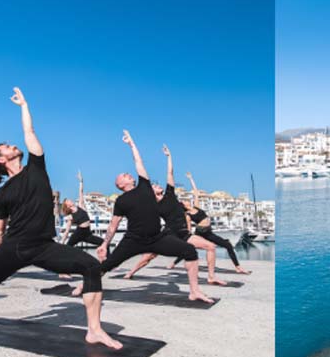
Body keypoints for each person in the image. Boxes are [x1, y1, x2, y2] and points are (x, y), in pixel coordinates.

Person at [0, 88, 121, 350]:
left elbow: (30, 134)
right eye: (7, 147)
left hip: (44, 245)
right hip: (14, 247)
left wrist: (24, 105)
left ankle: (94, 330)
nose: (14, 146)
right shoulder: (1, 193)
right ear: (2, 160)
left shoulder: (37, 168)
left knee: (91, 267)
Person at [72, 130, 213, 303]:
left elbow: (138, 161)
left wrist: (131, 144)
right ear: (120, 184)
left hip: (156, 238)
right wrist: (104, 243)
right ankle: (84, 285)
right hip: (133, 240)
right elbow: (113, 225)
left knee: (189, 251)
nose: (129, 174)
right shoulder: (121, 201)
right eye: (125, 175)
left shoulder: (145, 186)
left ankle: (194, 291)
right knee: (108, 265)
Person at [122, 145, 227, 286]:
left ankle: (211, 277)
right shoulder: (153, 205)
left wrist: (169, 157)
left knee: (211, 247)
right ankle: (130, 272)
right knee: (149, 256)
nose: (158, 186)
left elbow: (170, 174)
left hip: (184, 234)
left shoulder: (170, 195)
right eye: (154, 186)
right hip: (169, 235)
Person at [166, 171, 250, 274]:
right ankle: (174, 263)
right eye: (184, 201)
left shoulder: (196, 206)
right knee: (188, 247)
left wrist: (191, 179)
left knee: (227, 245)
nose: (186, 200)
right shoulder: (188, 215)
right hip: (200, 232)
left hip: (208, 232)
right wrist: (188, 237)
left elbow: (196, 192)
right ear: (184, 205)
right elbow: (188, 228)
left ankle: (238, 267)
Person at [59, 171, 103, 248]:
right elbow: (67, 231)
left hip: (87, 233)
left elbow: (81, 192)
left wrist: (81, 181)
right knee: (68, 247)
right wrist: (62, 242)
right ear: (67, 206)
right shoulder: (71, 216)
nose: (70, 200)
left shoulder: (80, 206)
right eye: (68, 201)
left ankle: (106, 259)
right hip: (79, 233)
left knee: (103, 242)